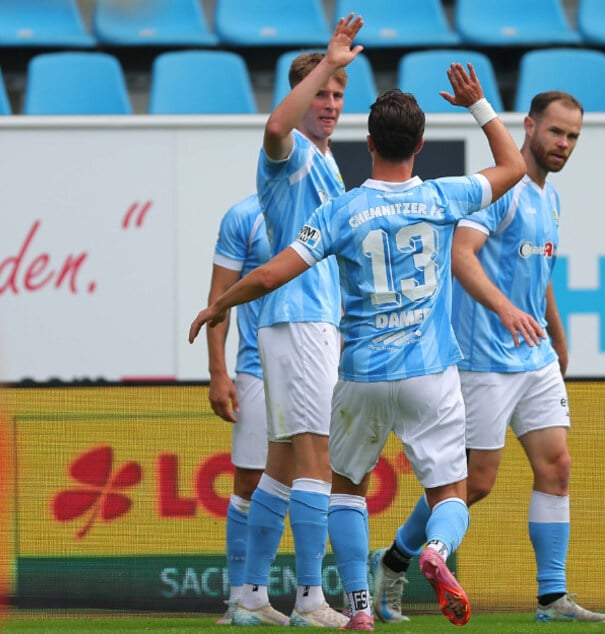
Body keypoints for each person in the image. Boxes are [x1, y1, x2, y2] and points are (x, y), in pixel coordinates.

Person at [189, 62, 526, 631]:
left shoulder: (340, 210)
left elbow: (270, 274)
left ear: (367, 143)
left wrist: (220, 304)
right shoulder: (444, 196)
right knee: (450, 491)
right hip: (430, 372)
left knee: (344, 488)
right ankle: (435, 551)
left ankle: (360, 608)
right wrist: (478, 105)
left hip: (362, 373)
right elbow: (514, 166)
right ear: (420, 145)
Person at [369, 91, 605, 625]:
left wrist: (556, 334)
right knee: (475, 482)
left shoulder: (550, 197)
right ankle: (394, 559)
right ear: (529, 126)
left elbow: (539, 274)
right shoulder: (501, 191)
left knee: (557, 466)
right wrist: (504, 309)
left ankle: (552, 598)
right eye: (556, 131)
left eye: (573, 136)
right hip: (484, 359)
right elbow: (460, 255)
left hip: (534, 358)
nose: (564, 143)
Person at [226, 14, 363, 628]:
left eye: (337, 94)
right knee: (317, 462)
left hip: (309, 321)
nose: (329, 103)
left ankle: (251, 596)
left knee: (281, 466)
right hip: (299, 321)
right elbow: (275, 127)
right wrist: (329, 61)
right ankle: (311, 599)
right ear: (301, 94)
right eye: (321, 93)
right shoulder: (292, 156)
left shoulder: (328, 163)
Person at [204, 194, 270, 625]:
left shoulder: (330, 205)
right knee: (250, 482)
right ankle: (240, 601)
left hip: (322, 367)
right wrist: (217, 371)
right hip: (256, 370)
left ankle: (316, 597)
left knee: (322, 480)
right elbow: (219, 298)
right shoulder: (245, 216)